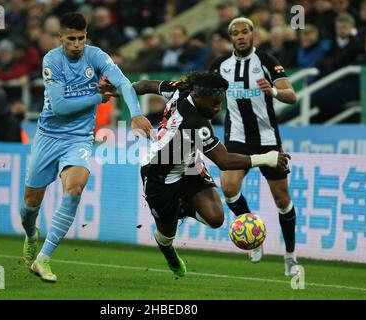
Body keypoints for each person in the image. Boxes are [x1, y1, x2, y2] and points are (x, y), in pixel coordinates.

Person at [99, 71, 290, 277]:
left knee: (216, 219)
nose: (217, 109)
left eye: (220, 103)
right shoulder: (193, 121)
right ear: (198, 97)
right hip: (159, 174)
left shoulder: (181, 89)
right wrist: (267, 158)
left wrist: (122, 90)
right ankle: (169, 252)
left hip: (188, 164)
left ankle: (181, 208)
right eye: (213, 104)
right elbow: (224, 161)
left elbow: (146, 85)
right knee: (166, 236)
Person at [20, 12, 152, 282]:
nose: (77, 44)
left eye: (81, 38)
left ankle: (43, 259)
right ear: (61, 38)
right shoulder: (52, 60)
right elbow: (59, 107)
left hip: (78, 139)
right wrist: (97, 97)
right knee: (30, 204)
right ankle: (31, 234)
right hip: (48, 136)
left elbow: (124, 83)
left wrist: (136, 113)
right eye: (71, 39)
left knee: (75, 189)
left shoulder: (96, 56)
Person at [210, 17, 299, 276]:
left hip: (268, 140)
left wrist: (272, 91)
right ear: (230, 38)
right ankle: (254, 235)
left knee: (282, 199)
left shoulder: (268, 62)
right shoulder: (220, 66)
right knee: (228, 188)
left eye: (244, 32)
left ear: (252, 35)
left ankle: (291, 256)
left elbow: (291, 96)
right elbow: (199, 89)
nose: (240, 36)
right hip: (236, 138)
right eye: (235, 33)